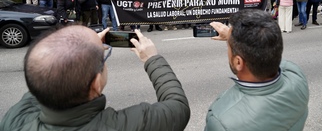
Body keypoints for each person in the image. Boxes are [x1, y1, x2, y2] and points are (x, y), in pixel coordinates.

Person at [0, 26, 190, 130]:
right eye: (102, 59)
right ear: (96, 84)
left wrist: (83, 46)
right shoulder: (129, 124)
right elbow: (178, 106)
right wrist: (152, 59)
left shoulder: (15, 119)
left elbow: (45, 74)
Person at [205, 9, 309, 131]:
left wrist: (232, 39)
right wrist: (234, 39)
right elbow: (270, 52)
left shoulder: (221, 121)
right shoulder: (296, 76)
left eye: (228, 47)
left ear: (238, 62)